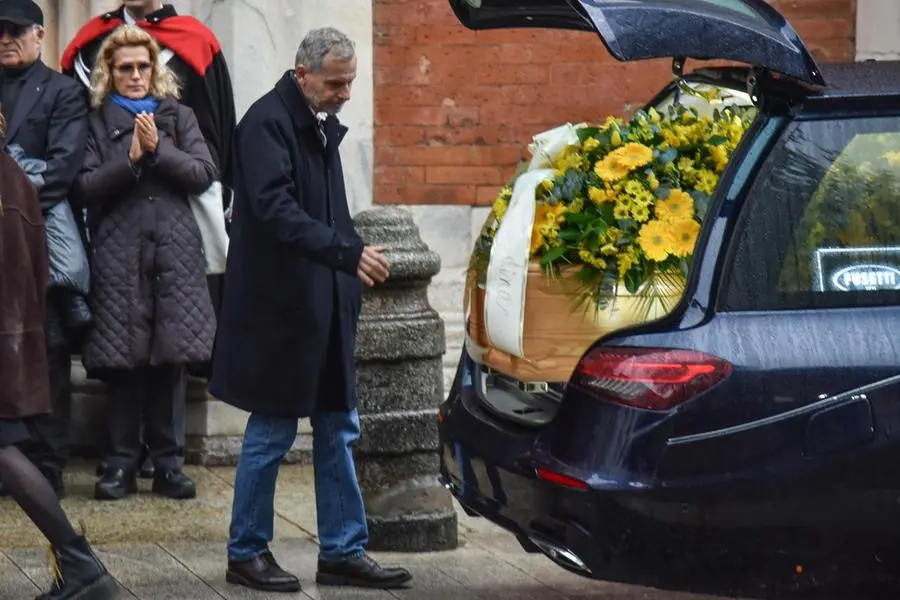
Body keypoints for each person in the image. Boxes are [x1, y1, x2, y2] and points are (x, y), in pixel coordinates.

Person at [209, 27, 412, 593]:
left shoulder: (315, 120)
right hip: (281, 310)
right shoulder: (266, 123)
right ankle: (246, 551)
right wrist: (347, 254)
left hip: (323, 305)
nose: (345, 93)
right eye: (336, 83)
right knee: (272, 432)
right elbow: (275, 211)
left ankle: (343, 551)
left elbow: (329, 214)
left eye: (349, 82)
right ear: (303, 74)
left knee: (338, 427)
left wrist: (350, 271)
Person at [61, 0, 237, 480]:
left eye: (143, 66)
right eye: (125, 68)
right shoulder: (95, 122)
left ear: (155, 70)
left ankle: (169, 465)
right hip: (118, 252)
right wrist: (131, 160)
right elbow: (84, 185)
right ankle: (118, 463)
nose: (135, 75)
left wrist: (158, 152)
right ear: (109, 72)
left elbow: (204, 171)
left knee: (170, 360)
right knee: (123, 361)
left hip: (175, 253)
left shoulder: (179, 116)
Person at [0, 110, 117, 600]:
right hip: (13, 330)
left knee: (4, 450)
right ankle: (77, 560)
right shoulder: (12, 172)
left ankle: (77, 559)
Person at [0, 0, 89, 500]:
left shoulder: (62, 91)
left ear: (39, 34)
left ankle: (47, 465)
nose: (5, 39)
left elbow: (62, 170)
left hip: (37, 241)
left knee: (49, 352)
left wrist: (12, 198)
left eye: (15, 30)